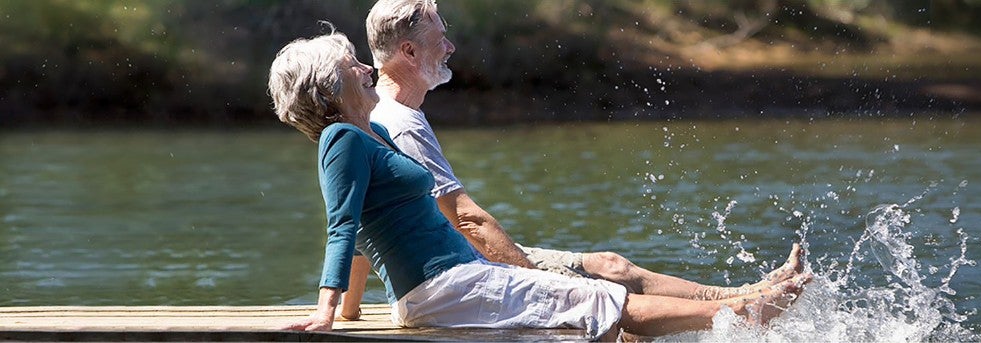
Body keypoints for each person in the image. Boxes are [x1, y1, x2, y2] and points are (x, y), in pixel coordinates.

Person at [267, 29, 810, 340]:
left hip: (461, 279)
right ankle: (744, 313)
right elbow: (343, 226)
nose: (367, 69)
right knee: (605, 300)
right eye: (353, 66)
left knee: (601, 301)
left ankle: (743, 304)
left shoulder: (375, 133)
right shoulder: (340, 137)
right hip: (444, 288)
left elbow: (371, 226)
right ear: (328, 87)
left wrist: (352, 308)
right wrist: (328, 310)